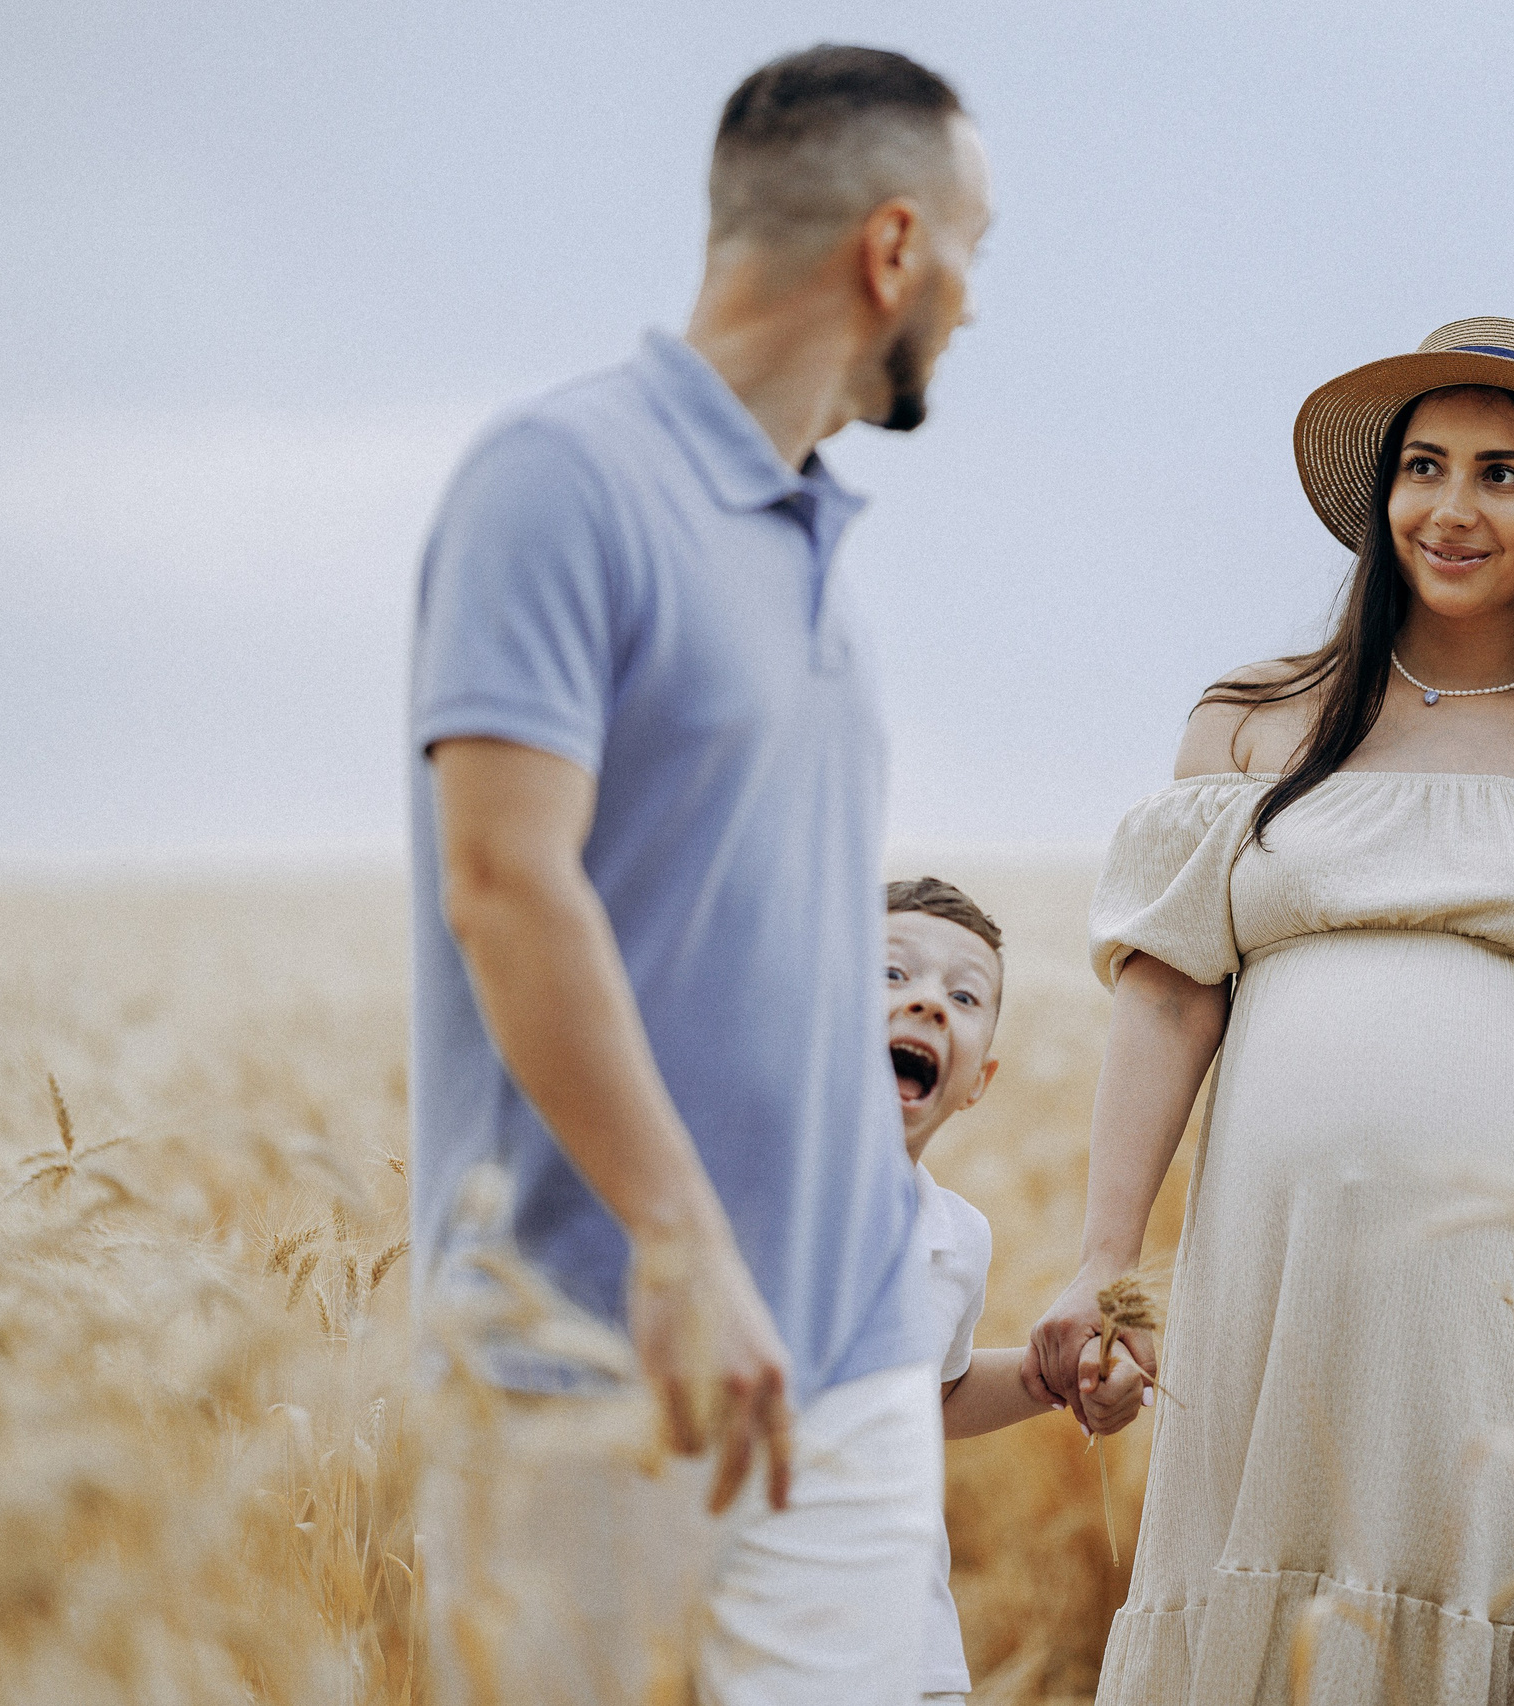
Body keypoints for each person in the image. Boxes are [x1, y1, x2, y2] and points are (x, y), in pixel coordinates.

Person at [1023, 319, 1514, 1705]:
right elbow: (1165, 1004)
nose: (1452, 506)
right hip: (1280, 1277)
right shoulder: (1252, 725)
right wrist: (1100, 1257)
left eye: (1503, 473)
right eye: (1424, 466)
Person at [405, 45, 993, 1706]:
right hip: (590, 1354)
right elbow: (504, 881)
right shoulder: (560, 484)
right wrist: (679, 1242)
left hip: (859, 1361)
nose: (972, 300)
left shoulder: (822, 545)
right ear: (892, 248)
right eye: (973, 249)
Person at [882, 876, 1149, 1703]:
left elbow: (933, 1395)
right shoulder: (742, 1197)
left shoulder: (957, 1238)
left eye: (963, 994)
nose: (929, 1003)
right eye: (893, 975)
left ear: (979, 1083)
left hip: (902, 1640)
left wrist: (1047, 1382)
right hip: (749, 1614)